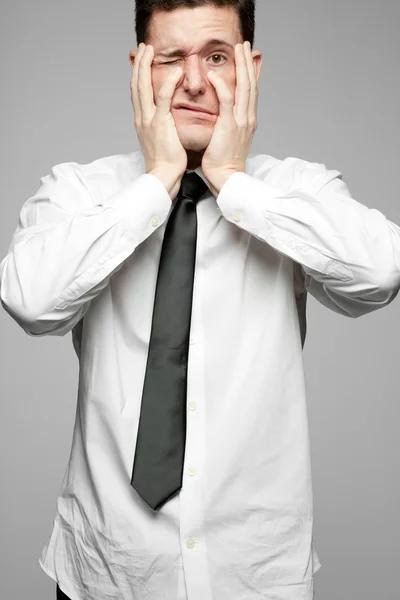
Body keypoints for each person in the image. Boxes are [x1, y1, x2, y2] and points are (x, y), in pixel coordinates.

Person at [1, 1, 400, 599]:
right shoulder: (79, 192)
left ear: (250, 69)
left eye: (216, 56)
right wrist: (156, 183)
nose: (193, 81)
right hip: (109, 573)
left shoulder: (296, 192)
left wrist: (235, 184)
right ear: (140, 69)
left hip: (255, 577)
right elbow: (31, 301)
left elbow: (380, 273)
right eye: (170, 59)